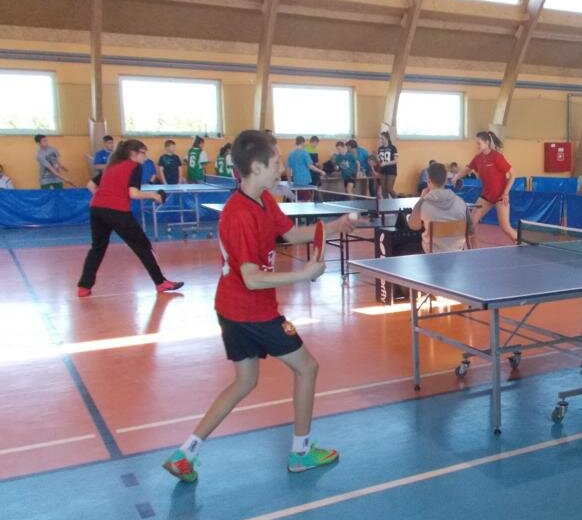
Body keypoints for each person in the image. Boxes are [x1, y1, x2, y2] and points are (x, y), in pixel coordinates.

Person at [162, 130, 356, 483]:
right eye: (276, 162)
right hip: (251, 310)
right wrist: (303, 275)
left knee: (245, 381)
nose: (281, 167)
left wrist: (333, 227)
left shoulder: (264, 199)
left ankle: (185, 453)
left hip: (232, 308)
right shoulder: (238, 215)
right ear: (256, 167)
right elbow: (252, 278)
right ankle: (301, 453)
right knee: (307, 368)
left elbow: (290, 234)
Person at [76, 139, 183, 297]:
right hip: (117, 211)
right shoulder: (134, 166)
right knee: (143, 246)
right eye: (143, 153)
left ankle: (84, 287)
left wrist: (105, 198)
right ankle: (161, 282)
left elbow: (90, 185)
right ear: (133, 153)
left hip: (96, 209)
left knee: (97, 248)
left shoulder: (111, 166)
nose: (145, 157)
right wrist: (153, 195)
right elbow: (133, 193)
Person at [452, 130, 516, 243]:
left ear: (487, 142)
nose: (477, 146)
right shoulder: (478, 158)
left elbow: (513, 174)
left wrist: (506, 193)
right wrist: (456, 177)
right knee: (471, 225)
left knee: (505, 227)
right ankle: (474, 250)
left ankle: (521, 244)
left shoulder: (497, 157)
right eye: (476, 143)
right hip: (486, 196)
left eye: (479, 143)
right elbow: (467, 169)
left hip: (500, 197)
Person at [408, 162, 473, 253]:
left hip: (432, 254)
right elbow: (470, 231)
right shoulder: (461, 202)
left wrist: (421, 199)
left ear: (429, 181)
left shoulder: (424, 204)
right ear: (446, 181)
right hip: (457, 253)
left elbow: (414, 226)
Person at [377, 131, 398, 199]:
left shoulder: (393, 148)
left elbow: (396, 161)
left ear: (387, 138)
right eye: (380, 138)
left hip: (391, 171)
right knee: (383, 189)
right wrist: (377, 159)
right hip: (383, 171)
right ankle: (386, 203)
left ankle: (397, 200)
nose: (380, 140)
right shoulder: (380, 148)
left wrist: (386, 163)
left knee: (389, 188)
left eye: (382, 138)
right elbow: (379, 160)